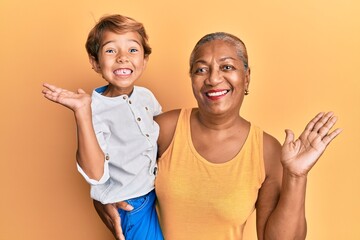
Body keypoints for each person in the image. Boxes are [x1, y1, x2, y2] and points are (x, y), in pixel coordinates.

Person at [93, 32, 342, 240]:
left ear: (246, 78)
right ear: (192, 79)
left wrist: (296, 176)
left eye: (227, 67)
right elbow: (111, 169)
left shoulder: (266, 149)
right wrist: (104, 199)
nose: (213, 78)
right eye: (201, 69)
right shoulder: (164, 129)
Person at [42, 14, 164, 240]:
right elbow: (96, 175)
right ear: (95, 61)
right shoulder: (94, 109)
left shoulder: (147, 97)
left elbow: (162, 138)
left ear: (145, 60)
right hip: (131, 204)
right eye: (110, 50)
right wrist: (82, 112)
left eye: (133, 50)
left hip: (159, 194)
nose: (122, 58)